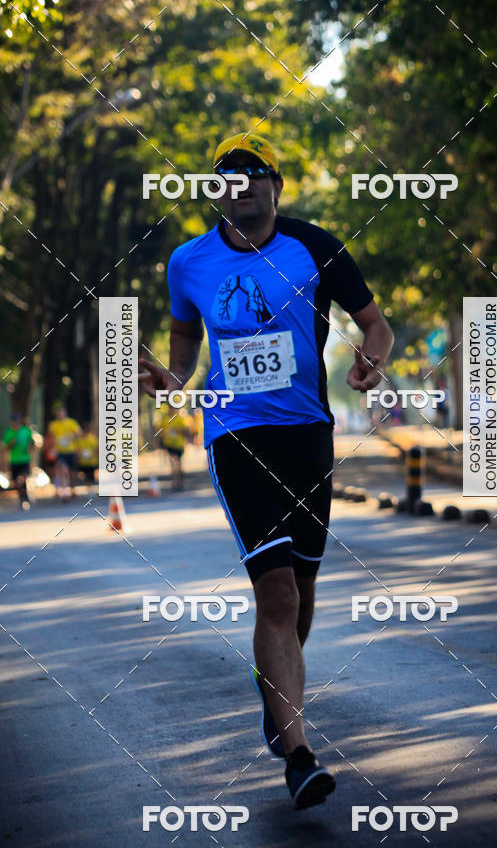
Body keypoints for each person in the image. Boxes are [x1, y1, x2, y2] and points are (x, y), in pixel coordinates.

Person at [139, 132, 394, 809]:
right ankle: (300, 755)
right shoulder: (187, 262)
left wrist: (372, 358)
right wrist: (173, 376)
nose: (240, 184)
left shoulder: (315, 246)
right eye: (225, 175)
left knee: (302, 593)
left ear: (275, 186)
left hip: (308, 437)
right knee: (276, 594)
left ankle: (277, 700)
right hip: (235, 436)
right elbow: (185, 341)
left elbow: (377, 324)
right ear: (213, 191)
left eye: (254, 174)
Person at [48, 405, 81, 500]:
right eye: (58, 413)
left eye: (61, 413)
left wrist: (71, 436)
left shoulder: (71, 423)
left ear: (65, 413)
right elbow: (52, 438)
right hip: (60, 452)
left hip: (71, 451)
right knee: (63, 470)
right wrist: (52, 449)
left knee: (72, 473)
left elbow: (79, 434)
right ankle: (65, 492)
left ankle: (73, 489)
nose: (60, 415)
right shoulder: (53, 425)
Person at [2, 412, 33, 509]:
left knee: (21, 479)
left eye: (16, 421)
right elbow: (6, 447)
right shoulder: (8, 432)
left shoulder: (25, 430)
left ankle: (25, 497)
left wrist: (29, 447)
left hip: (24, 459)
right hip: (14, 461)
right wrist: (11, 443)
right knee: (16, 483)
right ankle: (23, 497)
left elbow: (32, 441)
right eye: (13, 421)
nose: (15, 423)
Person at [156, 405, 187, 490]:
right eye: (170, 408)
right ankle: (175, 481)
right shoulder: (165, 420)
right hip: (169, 445)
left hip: (179, 444)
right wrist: (161, 443)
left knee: (178, 464)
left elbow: (184, 431)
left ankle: (180, 480)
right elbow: (161, 432)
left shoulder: (180, 419)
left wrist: (178, 430)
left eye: (173, 408)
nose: (172, 410)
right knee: (173, 463)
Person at [76, 423, 99, 488]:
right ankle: (88, 485)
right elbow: (78, 449)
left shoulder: (92, 439)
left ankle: (90, 485)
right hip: (84, 461)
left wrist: (95, 456)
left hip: (91, 461)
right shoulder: (80, 440)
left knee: (91, 474)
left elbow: (96, 449)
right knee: (85, 474)